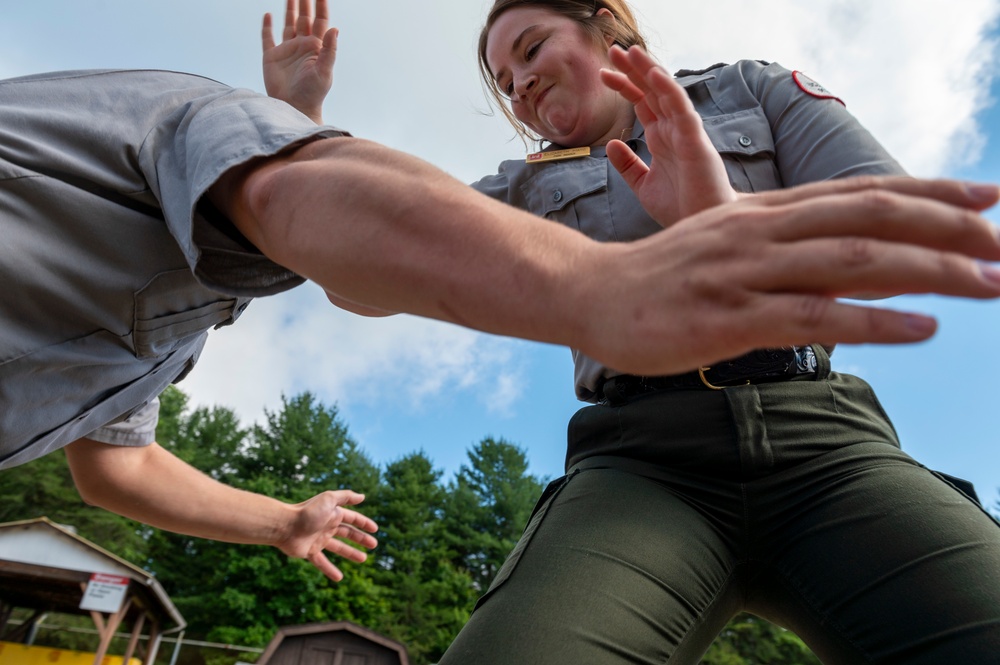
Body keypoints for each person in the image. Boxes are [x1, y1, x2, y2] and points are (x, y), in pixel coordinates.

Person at [260, 0, 1000, 661]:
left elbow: (907, 239)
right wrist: (296, 126)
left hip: (828, 447)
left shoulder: (752, 90)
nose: (517, 85)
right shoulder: (519, 188)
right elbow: (358, 279)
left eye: (530, 49)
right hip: (644, 465)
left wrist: (727, 223)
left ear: (606, 24)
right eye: (502, 81)